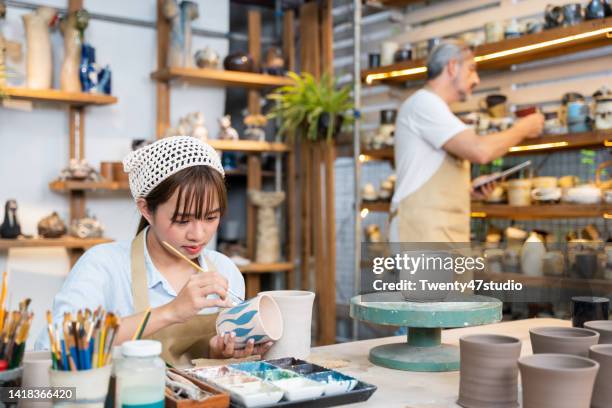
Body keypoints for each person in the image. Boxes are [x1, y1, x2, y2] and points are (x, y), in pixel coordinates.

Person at [36, 136, 272, 365]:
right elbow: (58, 345)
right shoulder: (103, 266)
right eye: (182, 220)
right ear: (146, 209)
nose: (198, 234)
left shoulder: (224, 270)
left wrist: (218, 353)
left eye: (211, 217)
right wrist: (170, 312)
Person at [389, 39, 544, 242]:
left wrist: (467, 190)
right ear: (452, 67)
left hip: (439, 235)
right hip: (422, 233)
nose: (477, 79)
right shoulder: (423, 103)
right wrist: (523, 128)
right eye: (472, 69)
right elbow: (480, 151)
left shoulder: (437, 109)